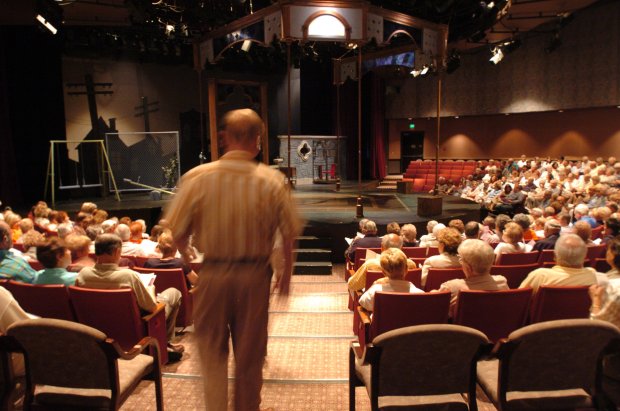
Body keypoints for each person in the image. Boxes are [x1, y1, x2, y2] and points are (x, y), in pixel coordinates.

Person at [164, 108, 301, 411]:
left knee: (212, 356)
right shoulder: (273, 180)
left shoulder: (197, 177)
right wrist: (286, 275)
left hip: (212, 274)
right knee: (250, 359)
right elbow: (289, 234)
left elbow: (177, 235)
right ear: (258, 140)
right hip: (254, 276)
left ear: (223, 138)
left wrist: (191, 260)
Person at [76, 234, 184, 360]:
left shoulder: (83, 274)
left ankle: (166, 345)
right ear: (117, 251)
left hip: (97, 331)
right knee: (173, 292)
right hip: (136, 329)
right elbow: (151, 308)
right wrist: (150, 288)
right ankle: (164, 346)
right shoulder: (129, 276)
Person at [434, 239, 508, 317]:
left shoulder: (451, 287)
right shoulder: (502, 282)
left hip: (461, 329)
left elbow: (437, 312)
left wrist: (434, 293)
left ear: (468, 267)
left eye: (461, 259)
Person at [520, 234, 607, 293]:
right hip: (582, 320)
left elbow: (519, 301)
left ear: (555, 256)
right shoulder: (594, 276)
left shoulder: (540, 276)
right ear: (585, 257)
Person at [358, 248, 423, 311]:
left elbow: (363, 303)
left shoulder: (375, 291)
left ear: (383, 272)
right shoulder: (420, 295)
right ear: (406, 269)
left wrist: (374, 284)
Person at [347, 233, 416, 293]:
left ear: (382, 247)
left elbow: (352, 285)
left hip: (374, 305)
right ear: (401, 248)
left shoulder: (370, 265)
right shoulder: (411, 264)